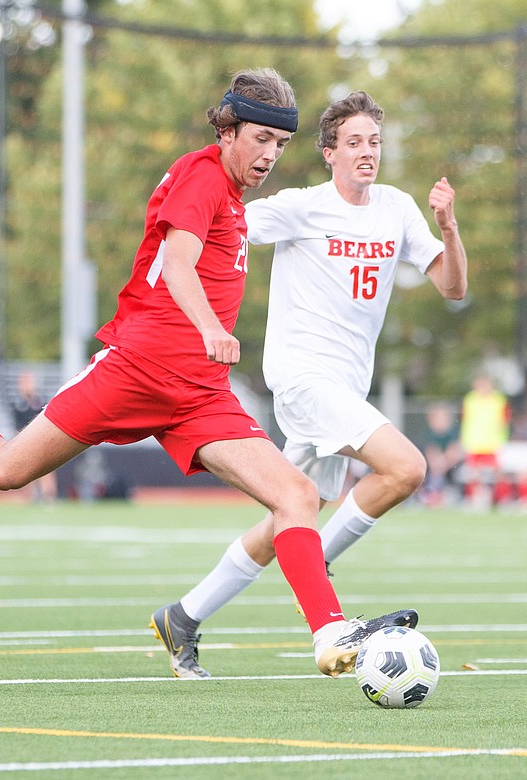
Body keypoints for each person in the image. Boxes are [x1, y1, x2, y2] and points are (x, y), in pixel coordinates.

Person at [0, 69, 411, 679]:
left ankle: (329, 634)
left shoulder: (235, 198)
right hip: (135, 372)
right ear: (226, 130)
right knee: (4, 469)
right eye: (259, 139)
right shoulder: (201, 176)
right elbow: (177, 264)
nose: (270, 154)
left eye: (280, 143)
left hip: (200, 394)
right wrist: (213, 329)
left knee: (297, 496)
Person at [149, 90, 468, 677]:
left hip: (346, 388)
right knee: (406, 468)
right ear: (328, 152)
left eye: (374, 142)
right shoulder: (301, 206)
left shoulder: (396, 209)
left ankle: (184, 617)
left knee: (288, 517)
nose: (366, 152)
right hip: (302, 378)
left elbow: (451, 286)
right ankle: (322, 600)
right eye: (353, 143)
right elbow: (225, 223)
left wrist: (448, 227)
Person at [459, 373, 510, 510]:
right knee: (474, 473)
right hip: (474, 442)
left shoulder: (499, 400)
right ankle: (474, 500)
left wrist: (503, 439)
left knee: (497, 473)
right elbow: (464, 420)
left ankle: (503, 498)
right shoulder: (469, 399)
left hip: (493, 443)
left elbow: (505, 420)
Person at [9, 372, 57, 502]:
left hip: (41, 439)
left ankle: (48, 496)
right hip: (25, 441)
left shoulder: (40, 401)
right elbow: (17, 426)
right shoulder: (18, 404)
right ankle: (28, 496)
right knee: (25, 469)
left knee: (45, 469)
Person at [420, 401, 464, 507]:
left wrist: (442, 463)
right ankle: (433, 494)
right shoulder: (429, 434)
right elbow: (431, 452)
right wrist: (438, 465)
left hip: (452, 467)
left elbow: (454, 452)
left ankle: (446, 493)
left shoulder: (454, 432)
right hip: (434, 468)